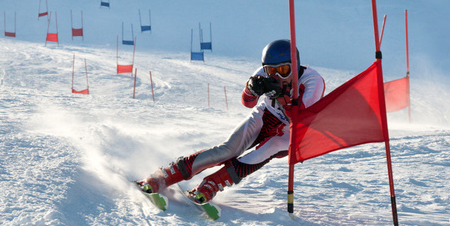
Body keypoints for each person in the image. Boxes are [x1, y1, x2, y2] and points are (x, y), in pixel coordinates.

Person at [137, 39, 325, 204]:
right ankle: (164, 176)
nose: (276, 76)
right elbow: (247, 102)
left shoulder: (312, 82)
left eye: (284, 70)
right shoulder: (262, 73)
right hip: (266, 115)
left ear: (295, 65)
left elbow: (300, 119)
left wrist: (282, 96)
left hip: (290, 131)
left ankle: (212, 184)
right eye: (271, 70)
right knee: (228, 149)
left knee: (267, 149)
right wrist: (251, 89)